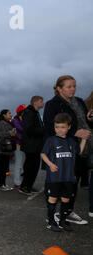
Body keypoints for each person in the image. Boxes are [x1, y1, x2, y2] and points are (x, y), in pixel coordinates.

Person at [43, 75, 91, 225]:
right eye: (69, 86)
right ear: (59, 88)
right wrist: (74, 132)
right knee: (55, 181)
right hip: (60, 148)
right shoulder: (53, 104)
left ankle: (67, 211)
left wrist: (90, 119)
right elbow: (50, 127)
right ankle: (52, 214)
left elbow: (85, 122)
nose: (73, 89)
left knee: (72, 180)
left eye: (74, 86)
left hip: (81, 146)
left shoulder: (80, 102)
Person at [41, 113, 86, 231]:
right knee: (53, 199)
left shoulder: (71, 141)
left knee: (66, 199)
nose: (59, 130)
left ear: (69, 127)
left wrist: (84, 139)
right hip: (55, 177)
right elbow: (43, 154)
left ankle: (63, 221)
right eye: (57, 127)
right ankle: (51, 222)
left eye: (62, 127)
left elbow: (79, 151)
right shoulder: (51, 140)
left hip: (69, 177)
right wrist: (50, 164)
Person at [20, 96, 45, 195]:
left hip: (34, 145)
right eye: (41, 101)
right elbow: (29, 129)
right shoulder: (29, 113)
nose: (43, 103)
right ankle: (25, 187)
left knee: (34, 166)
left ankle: (28, 185)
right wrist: (44, 130)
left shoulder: (34, 113)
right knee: (31, 166)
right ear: (35, 102)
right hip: (31, 145)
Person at [0, 109, 16, 191]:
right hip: (1, 148)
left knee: (5, 167)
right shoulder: (0, 122)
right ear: (4, 115)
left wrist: (13, 134)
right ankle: (1, 184)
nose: (11, 114)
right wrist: (8, 133)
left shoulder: (10, 123)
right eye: (9, 113)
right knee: (2, 167)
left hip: (7, 148)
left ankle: (3, 183)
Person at [11, 104, 26, 189]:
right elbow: (21, 130)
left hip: (23, 144)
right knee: (18, 164)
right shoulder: (15, 120)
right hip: (18, 144)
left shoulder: (21, 120)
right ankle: (17, 183)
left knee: (22, 164)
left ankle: (20, 182)